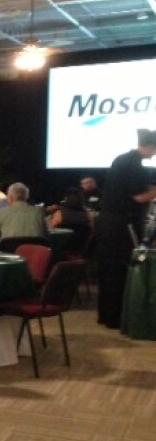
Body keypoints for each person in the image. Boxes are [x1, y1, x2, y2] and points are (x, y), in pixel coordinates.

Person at [94, 129, 156, 329]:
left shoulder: (122, 160)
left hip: (107, 223)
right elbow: (139, 197)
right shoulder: (134, 165)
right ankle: (116, 317)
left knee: (107, 270)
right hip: (120, 225)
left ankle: (105, 314)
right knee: (119, 271)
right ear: (149, 146)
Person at [49, 188, 92, 253]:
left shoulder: (59, 214)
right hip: (82, 250)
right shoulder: (88, 215)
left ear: (66, 199)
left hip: (61, 251)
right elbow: (91, 233)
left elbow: (51, 232)